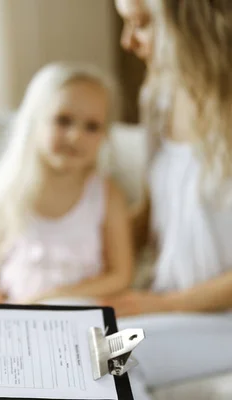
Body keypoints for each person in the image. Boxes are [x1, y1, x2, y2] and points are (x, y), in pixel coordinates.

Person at [108, 0, 232, 398]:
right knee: (65, 331)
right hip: (173, 302)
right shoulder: (159, 100)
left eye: (141, 24)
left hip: (219, 316)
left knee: (108, 357)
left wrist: (159, 305)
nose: (127, 42)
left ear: (191, 26)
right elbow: (151, 212)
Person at [0, 63, 135, 305]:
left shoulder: (108, 196)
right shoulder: (5, 193)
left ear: (105, 135)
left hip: (80, 317)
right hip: (13, 321)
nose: (76, 136)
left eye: (91, 126)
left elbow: (120, 275)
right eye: (63, 121)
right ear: (35, 120)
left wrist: (52, 299)